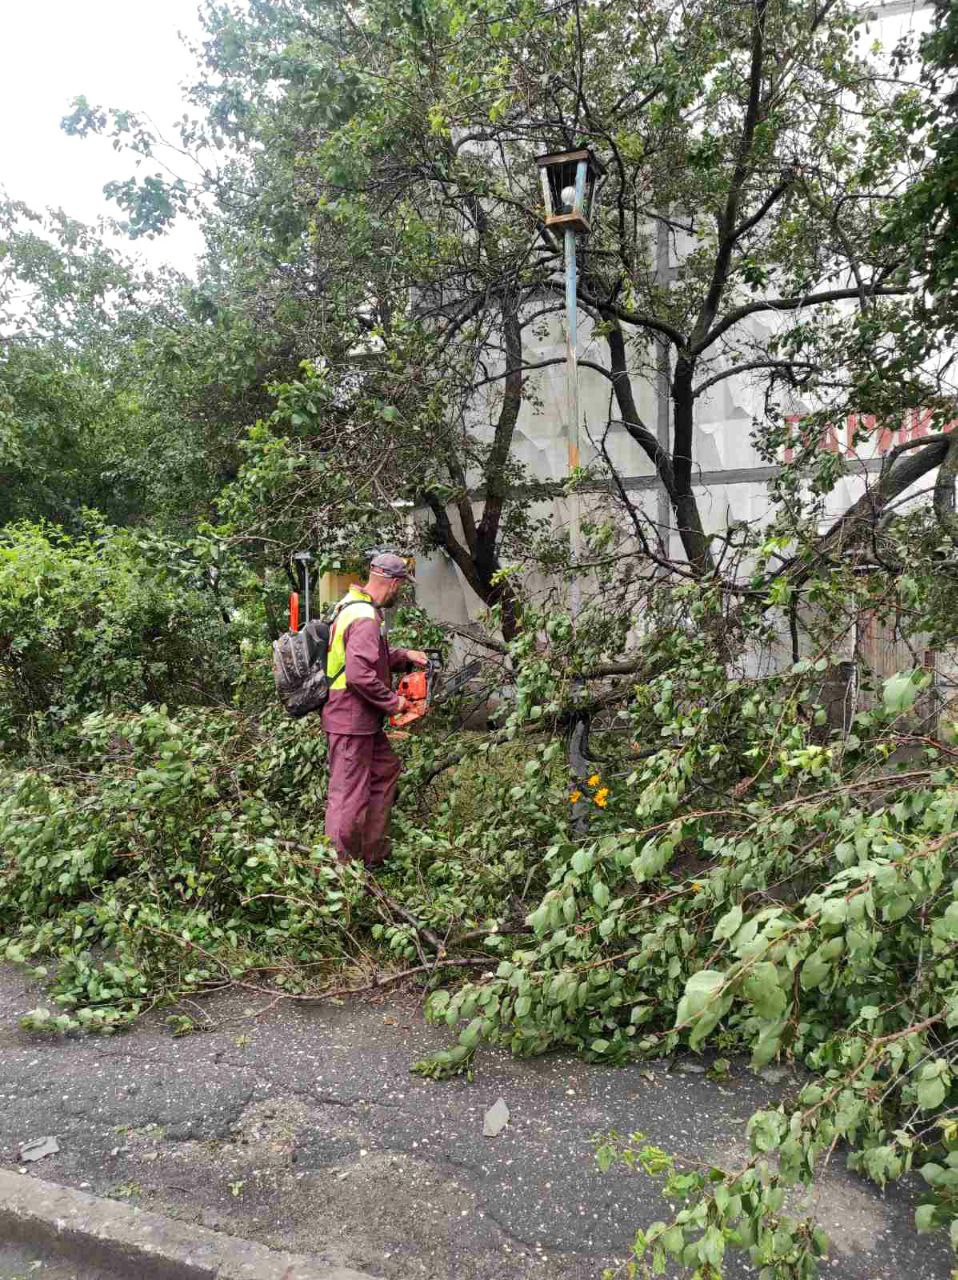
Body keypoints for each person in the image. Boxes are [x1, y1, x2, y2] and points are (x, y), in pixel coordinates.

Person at [321, 552, 427, 867]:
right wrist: (397, 703)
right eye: (401, 586)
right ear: (393, 583)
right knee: (348, 796)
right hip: (350, 720)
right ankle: (339, 873)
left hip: (362, 720)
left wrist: (404, 655)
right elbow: (358, 676)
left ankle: (371, 855)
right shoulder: (364, 617)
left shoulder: (355, 607)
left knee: (384, 770)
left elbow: (370, 658)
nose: (400, 592)